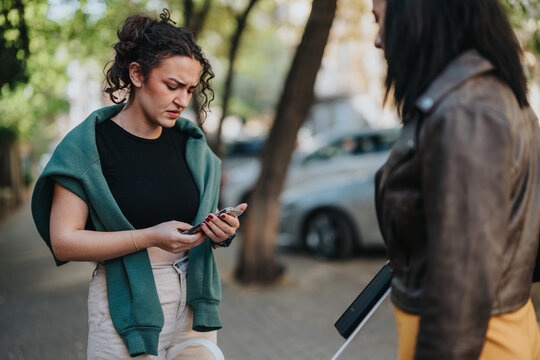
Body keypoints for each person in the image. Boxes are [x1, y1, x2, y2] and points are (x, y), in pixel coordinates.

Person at [31, 9, 246, 359]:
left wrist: (222, 231)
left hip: (193, 299)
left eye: (191, 89)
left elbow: (197, 222)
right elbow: (63, 242)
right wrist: (149, 236)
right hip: (124, 304)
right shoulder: (88, 146)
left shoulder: (191, 145)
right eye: (172, 86)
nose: (183, 100)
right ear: (137, 74)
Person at [371, 0, 540, 359]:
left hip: (474, 345)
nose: (377, 39)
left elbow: (461, 290)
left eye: (379, 19)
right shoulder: (480, 97)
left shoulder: (468, 112)